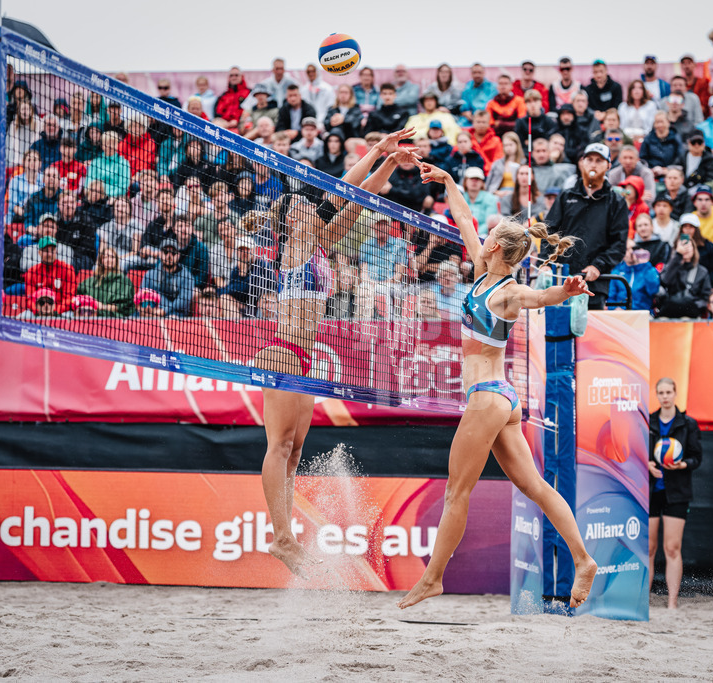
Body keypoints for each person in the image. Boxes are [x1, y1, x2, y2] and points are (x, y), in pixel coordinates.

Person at [397, 161, 597, 612]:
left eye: (491, 235)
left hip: (489, 397)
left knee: (456, 492)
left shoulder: (505, 290)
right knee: (536, 488)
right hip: (501, 398)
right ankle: (583, 559)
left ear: (499, 249)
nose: (481, 235)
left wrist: (563, 292)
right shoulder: (481, 273)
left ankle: (432, 579)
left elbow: (539, 298)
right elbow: (465, 219)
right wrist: (448, 182)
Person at [251, 129, 416, 576]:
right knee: (279, 444)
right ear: (291, 220)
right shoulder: (296, 245)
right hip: (282, 350)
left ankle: (284, 536)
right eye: (302, 207)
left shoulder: (320, 242)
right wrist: (378, 149)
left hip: (303, 358)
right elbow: (341, 188)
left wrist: (389, 163)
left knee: (296, 449)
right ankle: (281, 537)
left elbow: (359, 199)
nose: (310, 208)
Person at [539, 143, 628, 306]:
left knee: (590, 330)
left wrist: (598, 266)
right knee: (557, 329)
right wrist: (545, 263)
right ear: (582, 163)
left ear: (608, 165)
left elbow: (619, 244)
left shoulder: (617, 201)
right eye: (590, 159)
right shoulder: (566, 197)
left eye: (599, 160)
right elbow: (549, 232)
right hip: (561, 281)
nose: (593, 164)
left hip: (594, 283)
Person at [648, 378, 702, 609]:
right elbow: (635, 451)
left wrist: (682, 465)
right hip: (651, 491)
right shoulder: (647, 421)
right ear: (657, 395)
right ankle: (644, 600)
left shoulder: (687, 423)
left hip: (677, 493)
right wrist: (647, 464)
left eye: (669, 391)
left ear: (675, 393)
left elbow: (696, 458)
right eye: (661, 392)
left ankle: (672, 603)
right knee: (648, 548)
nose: (665, 396)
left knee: (672, 547)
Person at [656, 228, 712, 317]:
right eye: (682, 245)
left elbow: (705, 297)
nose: (685, 248)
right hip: (670, 310)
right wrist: (677, 257)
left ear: (694, 250)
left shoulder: (702, 271)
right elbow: (665, 281)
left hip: (691, 311)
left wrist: (695, 305)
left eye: (688, 245)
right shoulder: (670, 267)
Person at [77, 247, 134, 318]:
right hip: (90, 317)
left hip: (114, 319)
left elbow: (124, 306)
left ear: (116, 260)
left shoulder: (124, 282)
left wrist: (101, 306)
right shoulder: (90, 281)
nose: (109, 260)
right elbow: (78, 299)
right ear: (101, 260)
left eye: (112, 257)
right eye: (105, 257)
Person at [609, 237, 659, 311]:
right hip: (622, 313)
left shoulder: (648, 269)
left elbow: (653, 290)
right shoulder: (617, 272)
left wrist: (645, 264)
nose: (631, 252)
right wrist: (615, 308)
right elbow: (610, 298)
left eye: (634, 248)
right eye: (627, 249)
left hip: (642, 313)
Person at [639, 112, 682, 182]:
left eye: (662, 122)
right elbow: (643, 159)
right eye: (657, 122)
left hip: (671, 173)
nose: (660, 125)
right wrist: (650, 170)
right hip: (652, 174)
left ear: (668, 122)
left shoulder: (675, 138)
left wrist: (667, 169)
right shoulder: (648, 139)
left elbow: (680, 157)